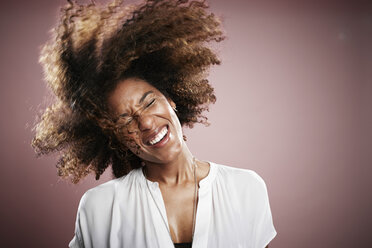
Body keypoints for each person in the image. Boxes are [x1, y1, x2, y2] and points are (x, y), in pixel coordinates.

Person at [32, 0, 277, 247]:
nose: (146, 123)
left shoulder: (245, 189)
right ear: (114, 135)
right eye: (125, 119)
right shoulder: (101, 208)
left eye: (149, 103)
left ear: (170, 99)